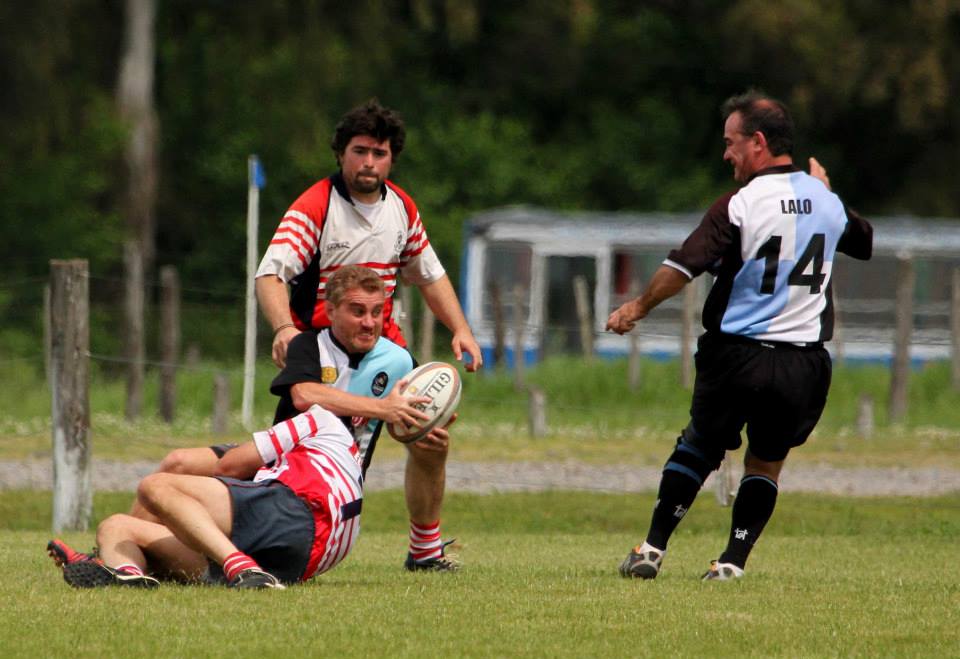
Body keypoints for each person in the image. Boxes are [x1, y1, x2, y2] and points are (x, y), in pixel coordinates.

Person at [133, 100, 479, 571]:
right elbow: (270, 275)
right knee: (276, 463)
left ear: (391, 158)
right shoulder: (317, 205)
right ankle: (152, 542)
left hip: (383, 356)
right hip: (320, 358)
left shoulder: (402, 209)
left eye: (379, 153)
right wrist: (285, 328)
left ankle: (424, 550)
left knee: (429, 439)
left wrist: (460, 329)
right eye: (360, 151)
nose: (369, 163)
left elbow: (430, 274)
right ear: (341, 154)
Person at [606, 90, 873, 581]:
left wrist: (637, 307)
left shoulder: (741, 204)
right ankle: (731, 562)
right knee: (766, 464)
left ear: (757, 142)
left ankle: (651, 549)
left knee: (699, 446)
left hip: (738, 355)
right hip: (803, 365)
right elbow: (864, 240)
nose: (726, 154)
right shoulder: (827, 203)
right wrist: (826, 193)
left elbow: (682, 267)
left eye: (731, 143)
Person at [48, 266, 445, 589]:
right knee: (175, 464)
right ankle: (122, 561)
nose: (370, 322)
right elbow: (305, 395)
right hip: (282, 454)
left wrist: (422, 422)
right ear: (333, 309)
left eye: (378, 312)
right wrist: (383, 408)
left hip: (316, 483)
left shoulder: (398, 360)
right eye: (358, 311)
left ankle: (217, 562)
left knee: (164, 487)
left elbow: (401, 417)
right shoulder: (310, 345)